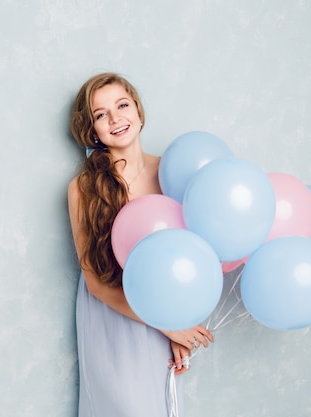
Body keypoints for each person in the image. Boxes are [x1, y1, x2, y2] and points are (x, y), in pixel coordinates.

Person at [67, 72, 214, 417]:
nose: (116, 118)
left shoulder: (172, 173)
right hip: (113, 314)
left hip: (163, 309)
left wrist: (180, 329)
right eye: (101, 114)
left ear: (139, 111)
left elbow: (190, 260)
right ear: (91, 129)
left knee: (162, 406)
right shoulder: (84, 187)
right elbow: (95, 283)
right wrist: (168, 326)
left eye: (122, 105)